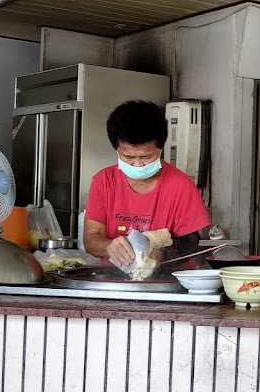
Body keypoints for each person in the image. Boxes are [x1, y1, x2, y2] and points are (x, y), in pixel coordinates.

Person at [83, 100, 209, 269]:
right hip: (113, 283)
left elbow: (189, 242)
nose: (137, 165)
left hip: (169, 285)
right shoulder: (104, 181)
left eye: (145, 157)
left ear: (161, 148)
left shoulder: (181, 185)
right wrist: (107, 246)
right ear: (117, 150)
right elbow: (91, 238)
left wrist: (161, 255)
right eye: (128, 157)